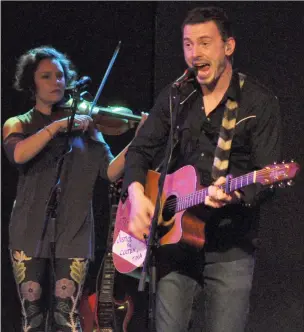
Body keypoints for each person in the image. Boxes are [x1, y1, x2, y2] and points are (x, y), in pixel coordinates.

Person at [121, 6, 281, 332]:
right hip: (174, 245)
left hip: (230, 247)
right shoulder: (177, 97)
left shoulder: (258, 103)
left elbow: (267, 177)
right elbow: (139, 151)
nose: (195, 53)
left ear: (228, 46)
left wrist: (234, 195)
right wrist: (137, 195)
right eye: (188, 44)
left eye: (205, 43)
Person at [2, 46, 147, 332]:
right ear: (32, 83)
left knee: (66, 318)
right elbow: (18, 154)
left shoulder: (88, 128)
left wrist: (138, 141)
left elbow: (110, 171)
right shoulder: (19, 123)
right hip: (29, 229)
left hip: (75, 230)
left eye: (60, 76)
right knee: (31, 318)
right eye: (46, 76)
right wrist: (56, 127)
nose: (56, 82)